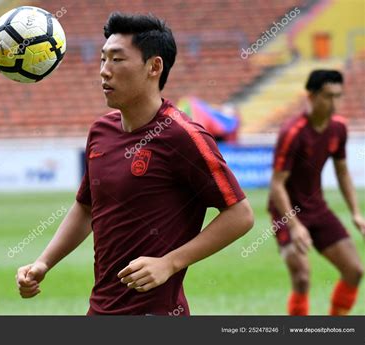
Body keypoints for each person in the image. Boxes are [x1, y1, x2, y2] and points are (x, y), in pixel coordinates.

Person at [16, 12, 253, 315]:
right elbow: (86, 206)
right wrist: (43, 262)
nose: (104, 71)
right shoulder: (100, 132)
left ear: (154, 67)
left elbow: (241, 214)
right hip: (100, 310)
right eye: (103, 59)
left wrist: (170, 262)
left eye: (117, 60)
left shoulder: (183, 136)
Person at [269, 70, 365, 315]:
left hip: (317, 207)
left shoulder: (339, 128)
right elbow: (277, 185)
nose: (334, 103)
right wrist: (295, 225)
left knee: (354, 270)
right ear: (311, 97)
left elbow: (342, 172)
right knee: (302, 277)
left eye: (338, 96)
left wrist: (356, 213)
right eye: (328, 96)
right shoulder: (293, 132)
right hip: (286, 211)